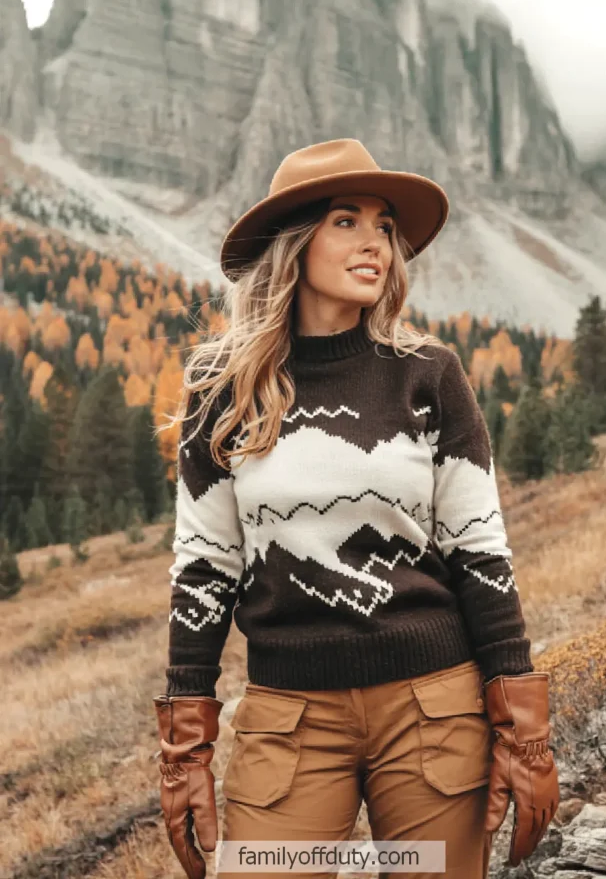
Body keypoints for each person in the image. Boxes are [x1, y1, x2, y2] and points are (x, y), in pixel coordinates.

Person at [153, 138, 560, 879]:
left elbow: (479, 552)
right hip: (288, 720)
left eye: (382, 225)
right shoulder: (220, 386)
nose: (375, 241)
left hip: (433, 711)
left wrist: (523, 732)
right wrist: (185, 747)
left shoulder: (427, 376)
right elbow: (204, 569)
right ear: (295, 242)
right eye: (347, 220)